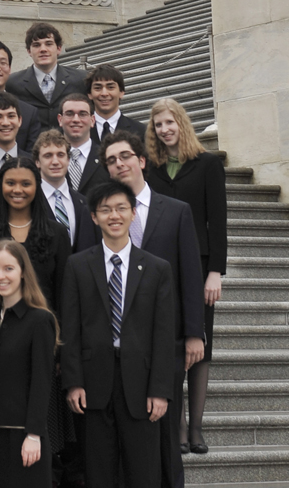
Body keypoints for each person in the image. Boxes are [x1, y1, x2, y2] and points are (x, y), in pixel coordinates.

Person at [100, 130, 204, 488]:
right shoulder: (100, 216)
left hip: (167, 342)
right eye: (111, 160)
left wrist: (194, 333)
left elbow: (191, 275)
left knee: (167, 433)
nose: (119, 164)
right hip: (118, 347)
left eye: (125, 156)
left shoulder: (176, 212)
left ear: (141, 160)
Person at [61, 181, 174, 488]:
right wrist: (73, 382)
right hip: (93, 383)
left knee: (143, 471)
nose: (114, 215)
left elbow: (164, 335)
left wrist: (160, 389)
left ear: (133, 213)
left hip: (141, 384)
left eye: (121, 208)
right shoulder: (77, 265)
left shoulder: (156, 268)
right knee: (99, 471)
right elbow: (70, 329)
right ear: (94, 217)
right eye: (106, 209)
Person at [145, 98, 227, 455]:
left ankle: (196, 429)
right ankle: (176, 427)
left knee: (200, 346)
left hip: (200, 265)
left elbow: (218, 222)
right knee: (169, 345)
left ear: (182, 123)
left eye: (169, 122)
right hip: (161, 268)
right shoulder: (151, 167)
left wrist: (215, 273)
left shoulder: (208, 164)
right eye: (158, 125)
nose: (164, 130)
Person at [0, 239, 58, 488]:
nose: (0, 276)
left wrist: (34, 434)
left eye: (8, 268)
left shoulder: (40, 320)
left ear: (22, 272)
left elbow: (42, 381)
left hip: (22, 437)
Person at [0, 157, 71, 312]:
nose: (17, 190)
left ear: (37, 186)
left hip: (44, 326)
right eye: (10, 183)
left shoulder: (56, 233)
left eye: (26, 184)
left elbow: (63, 291)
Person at [6, 23, 88, 131]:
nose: (43, 49)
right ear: (29, 51)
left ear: (58, 49)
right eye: (36, 45)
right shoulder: (13, 83)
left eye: (48, 44)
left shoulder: (80, 79)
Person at [32, 129, 99, 253]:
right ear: (37, 162)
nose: (55, 161)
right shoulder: (30, 202)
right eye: (48, 155)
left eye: (60, 155)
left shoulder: (84, 203)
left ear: (68, 160)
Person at [57, 94, 109, 196]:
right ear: (60, 120)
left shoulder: (107, 157)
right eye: (69, 114)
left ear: (92, 120)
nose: (76, 119)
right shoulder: (48, 158)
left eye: (82, 114)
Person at [86, 64, 146, 143]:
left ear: (121, 92)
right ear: (89, 94)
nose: (104, 93)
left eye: (110, 87)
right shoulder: (80, 131)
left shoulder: (141, 131)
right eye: (98, 88)